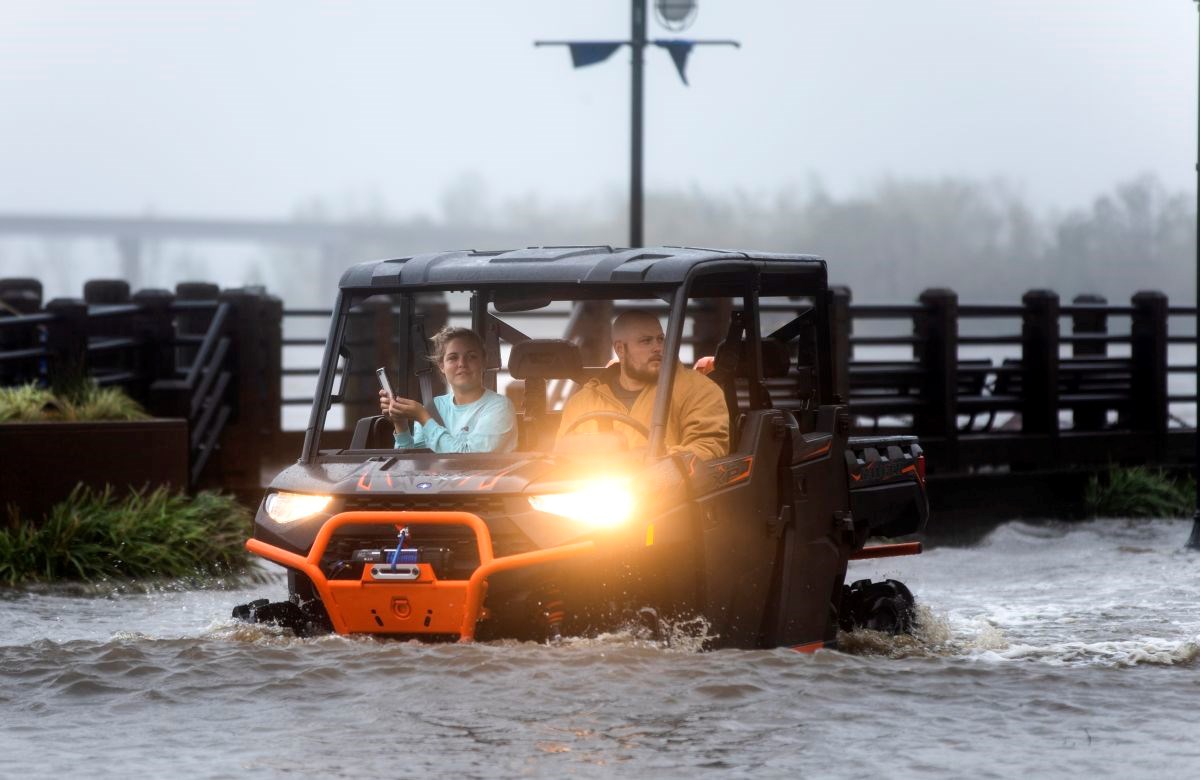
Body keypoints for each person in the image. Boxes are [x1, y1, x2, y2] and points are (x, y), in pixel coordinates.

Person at [556, 309, 729, 460]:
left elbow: (708, 447)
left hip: (673, 493)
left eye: (660, 339)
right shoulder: (582, 402)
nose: (658, 348)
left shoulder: (698, 390)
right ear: (620, 349)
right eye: (646, 341)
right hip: (592, 495)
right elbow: (562, 459)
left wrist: (650, 460)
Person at [379, 326, 516, 453]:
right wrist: (400, 424)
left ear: (484, 362)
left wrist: (424, 418)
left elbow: (471, 459)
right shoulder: (433, 407)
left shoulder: (500, 407)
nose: (462, 364)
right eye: (453, 358)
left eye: (471, 357)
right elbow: (411, 463)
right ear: (441, 366)